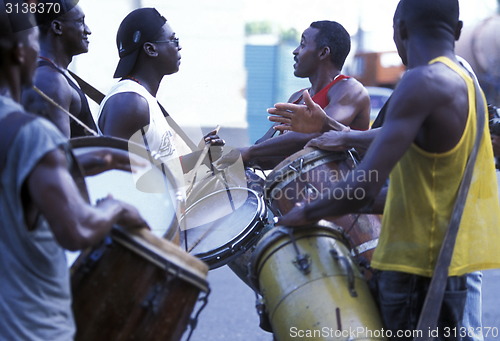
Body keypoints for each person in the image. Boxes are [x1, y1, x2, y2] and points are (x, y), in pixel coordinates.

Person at [268, 0, 500, 338]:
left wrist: (305, 212)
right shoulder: (466, 83)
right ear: (458, 31)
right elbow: (417, 188)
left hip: (413, 269)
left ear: (400, 30)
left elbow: (365, 185)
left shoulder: (421, 82)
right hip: (451, 266)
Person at [0, 5, 148, 340]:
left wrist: (87, 162)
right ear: (21, 50)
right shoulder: (33, 126)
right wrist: (116, 209)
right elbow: (76, 228)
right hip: (31, 325)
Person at [220, 20, 370, 170]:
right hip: (304, 191)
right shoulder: (297, 98)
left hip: (347, 190)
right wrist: (226, 153)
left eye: (303, 44)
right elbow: (269, 152)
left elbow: (318, 132)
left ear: (323, 52)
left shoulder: (349, 89)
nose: (295, 51)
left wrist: (249, 152)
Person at [97, 7, 223, 179]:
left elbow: (154, 170)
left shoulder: (143, 99)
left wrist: (199, 157)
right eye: (174, 40)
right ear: (150, 49)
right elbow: (115, 177)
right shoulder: (129, 102)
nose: (180, 47)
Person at [21, 0, 97, 138]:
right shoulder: (50, 81)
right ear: (57, 27)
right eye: (80, 22)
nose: (88, 30)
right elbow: (59, 156)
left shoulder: (55, 74)